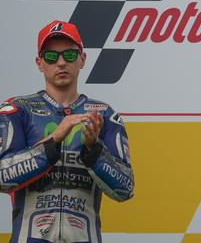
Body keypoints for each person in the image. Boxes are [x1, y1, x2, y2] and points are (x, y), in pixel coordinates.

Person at [0, 20, 134, 243]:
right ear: (39, 63)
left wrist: (94, 151)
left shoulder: (104, 115)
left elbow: (125, 189)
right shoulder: (18, 110)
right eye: (52, 57)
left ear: (82, 59)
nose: (61, 62)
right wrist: (53, 141)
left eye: (70, 55)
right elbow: (2, 177)